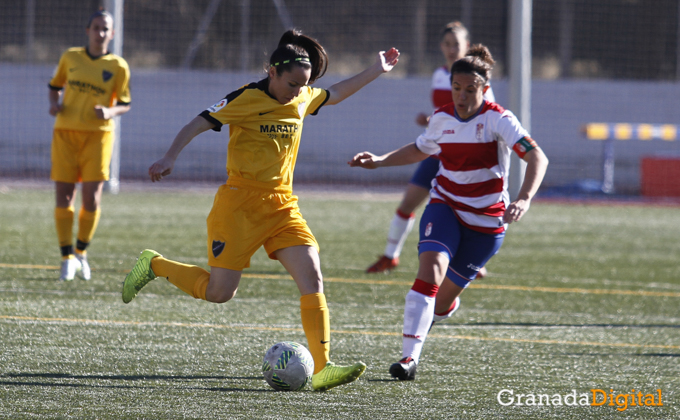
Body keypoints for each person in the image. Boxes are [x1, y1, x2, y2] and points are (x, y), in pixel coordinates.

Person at [121, 29, 400, 392]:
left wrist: (375, 69)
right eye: (292, 83)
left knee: (312, 276)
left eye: (304, 84)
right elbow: (198, 122)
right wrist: (169, 156)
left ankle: (323, 367)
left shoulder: (302, 99)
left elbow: (339, 92)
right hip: (239, 206)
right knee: (220, 293)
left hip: (283, 204)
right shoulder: (246, 98)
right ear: (272, 72)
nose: (298, 91)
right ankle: (154, 264)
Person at [349, 45, 549, 381]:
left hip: (487, 224)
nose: (462, 96)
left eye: (470, 90)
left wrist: (524, 198)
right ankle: (408, 360)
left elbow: (537, 157)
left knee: (440, 303)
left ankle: (443, 308)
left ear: (484, 89)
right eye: (457, 88)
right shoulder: (441, 117)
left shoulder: (499, 119)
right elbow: (419, 148)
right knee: (430, 270)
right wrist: (380, 160)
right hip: (446, 206)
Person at [366, 21, 494, 276]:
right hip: (437, 152)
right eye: (447, 44)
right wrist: (429, 120)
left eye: (456, 44)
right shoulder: (438, 75)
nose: (450, 49)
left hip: (464, 157)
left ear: (466, 46)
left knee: (465, 206)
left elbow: (484, 118)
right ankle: (391, 256)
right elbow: (446, 116)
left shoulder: (476, 80)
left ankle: (472, 260)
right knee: (407, 204)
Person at [48, 10, 131, 281]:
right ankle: (66, 258)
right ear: (88, 30)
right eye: (96, 28)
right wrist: (54, 103)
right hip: (66, 133)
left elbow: (125, 104)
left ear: (112, 33)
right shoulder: (70, 57)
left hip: (98, 137)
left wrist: (109, 113)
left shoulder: (118, 66)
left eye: (106, 29)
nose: (101, 33)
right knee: (64, 197)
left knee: (91, 199)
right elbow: (54, 85)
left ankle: (81, 252)